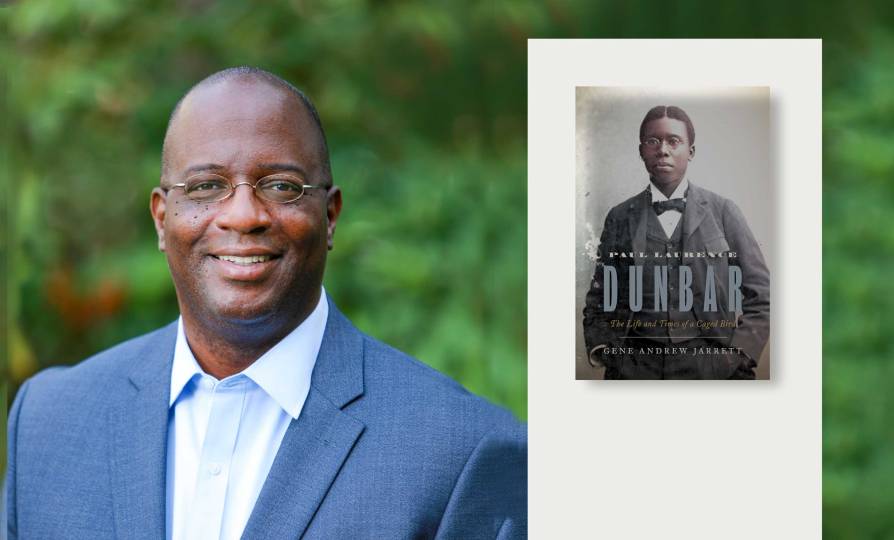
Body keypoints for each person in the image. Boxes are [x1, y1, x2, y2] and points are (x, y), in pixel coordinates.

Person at [4, 67, 526, 539]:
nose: (243, 215)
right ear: (163, 219)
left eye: (281, 186)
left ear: (331, 216)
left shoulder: (464, 452)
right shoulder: (49, 424)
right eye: (207, 186)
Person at [582, 105, 770, 380]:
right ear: (641, 151)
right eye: (653, 141)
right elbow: (599, 295)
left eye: (673, 141)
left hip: (710, 365)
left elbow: (762, 294)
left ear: (690, 152)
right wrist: (609, 352)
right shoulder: (620, 217)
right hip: (635, 368)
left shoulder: (723, 211)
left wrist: (737, 356)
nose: (663, 150)